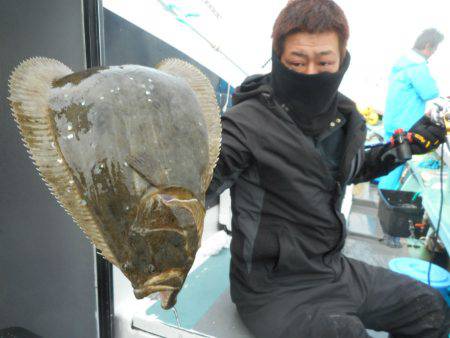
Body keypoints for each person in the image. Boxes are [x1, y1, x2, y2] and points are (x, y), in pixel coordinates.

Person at [206, 1, 449, 337]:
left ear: (341, 59)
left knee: (430, 307)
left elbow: (351, 167)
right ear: (278, 57)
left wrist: (405, 147)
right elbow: (198, 183)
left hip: (331, 271)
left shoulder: (343, 120)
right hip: (270, 291)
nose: (310, 74)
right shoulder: (243, 125)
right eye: (296, 62)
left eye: (324, 62)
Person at [378, 28, 444, 191]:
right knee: (394, 166)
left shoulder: (402, 62)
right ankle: (385, 197)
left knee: (385, 159)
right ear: (428, 45)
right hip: (404, 126)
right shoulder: (417, 67)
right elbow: (430, 92)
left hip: (392, 121)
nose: (433, 53)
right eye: (434, 49)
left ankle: (381, 189)